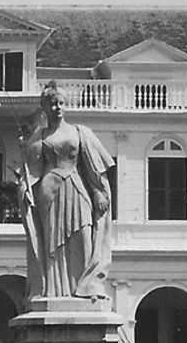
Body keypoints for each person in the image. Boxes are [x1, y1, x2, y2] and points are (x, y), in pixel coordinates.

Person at [18, 80, 115, 300]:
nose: (58, 107)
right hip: (50, 190)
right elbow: (32, 172)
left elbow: (93, 167)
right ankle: (54, 290)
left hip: (76, 186)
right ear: (44, 107)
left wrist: (98, 191)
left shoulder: (80, 132)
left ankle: (86, 286)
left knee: (84, 234)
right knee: (52, 240)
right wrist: (24, 187)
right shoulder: (39, 138)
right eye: (53, 103)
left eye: (61, 103)